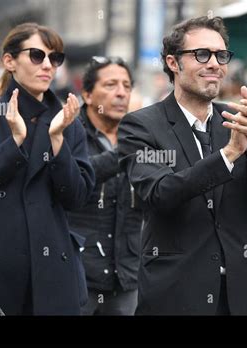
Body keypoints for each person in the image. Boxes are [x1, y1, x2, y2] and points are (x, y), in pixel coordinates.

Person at [118, 16, 247, 315]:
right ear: (173, 63)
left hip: (241, 295)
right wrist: (228, 155)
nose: (215, 63)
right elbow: (160, 193)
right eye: (202, 54)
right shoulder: (142, 125)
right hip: (177, 295)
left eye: (221, 55)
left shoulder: (235, 121)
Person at [0, 22, 95, 315]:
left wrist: (57, 142)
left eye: (55, 58)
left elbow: (78, 197)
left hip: (53, 268)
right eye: (36, 55)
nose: (47, 65)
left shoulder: (68, 121)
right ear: (9, 61)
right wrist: (15, 143)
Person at [68, 57, 142, 315]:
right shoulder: (68, 133)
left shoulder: (140, 136)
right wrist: (125, 153)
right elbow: (74, 179)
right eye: (111, 85)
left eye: (126, 86)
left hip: (126, 279)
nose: (121, 92)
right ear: (87, 95)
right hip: (78, 277)